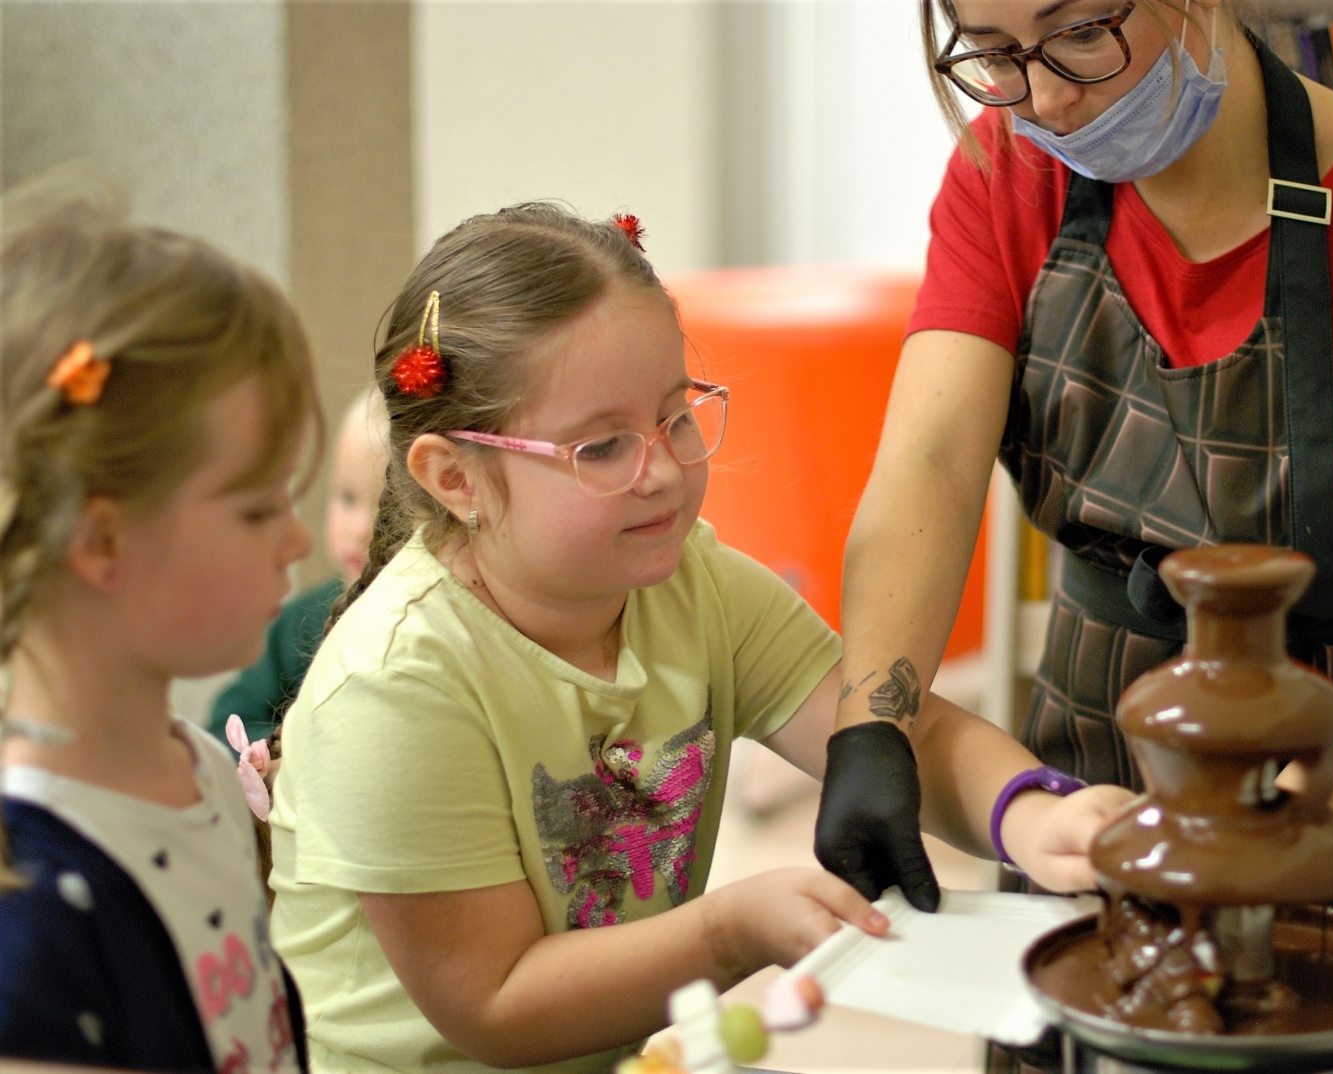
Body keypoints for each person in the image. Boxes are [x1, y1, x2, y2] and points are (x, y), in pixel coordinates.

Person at [814, 3, 1333, 1073]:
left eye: (1080, 31)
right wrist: (872, 725)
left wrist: (1263, 827)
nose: (1045, 98)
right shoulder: (1007, 174)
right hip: (1092, 770)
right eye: (992, 53)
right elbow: (927, 468)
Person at [266, 201, 1135, 1074]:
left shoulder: (695, 586)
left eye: (677, 416)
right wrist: (730, 931)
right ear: (457, 476)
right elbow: (495, 1003)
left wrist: (1027, 814)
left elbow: (883, 729)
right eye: (602, 448)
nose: (666, 469)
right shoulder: (395, 687)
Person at [0, 189, 320, 1071]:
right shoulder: (30, 913)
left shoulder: (202, 775)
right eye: (259, 509)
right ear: (104, 539)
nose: (297, 539)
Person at [208, 384, 388, 748]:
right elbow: (226, 725)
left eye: (388, 511)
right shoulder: (298, 623)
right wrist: (273, 753)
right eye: (348, 499)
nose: (361, 529)